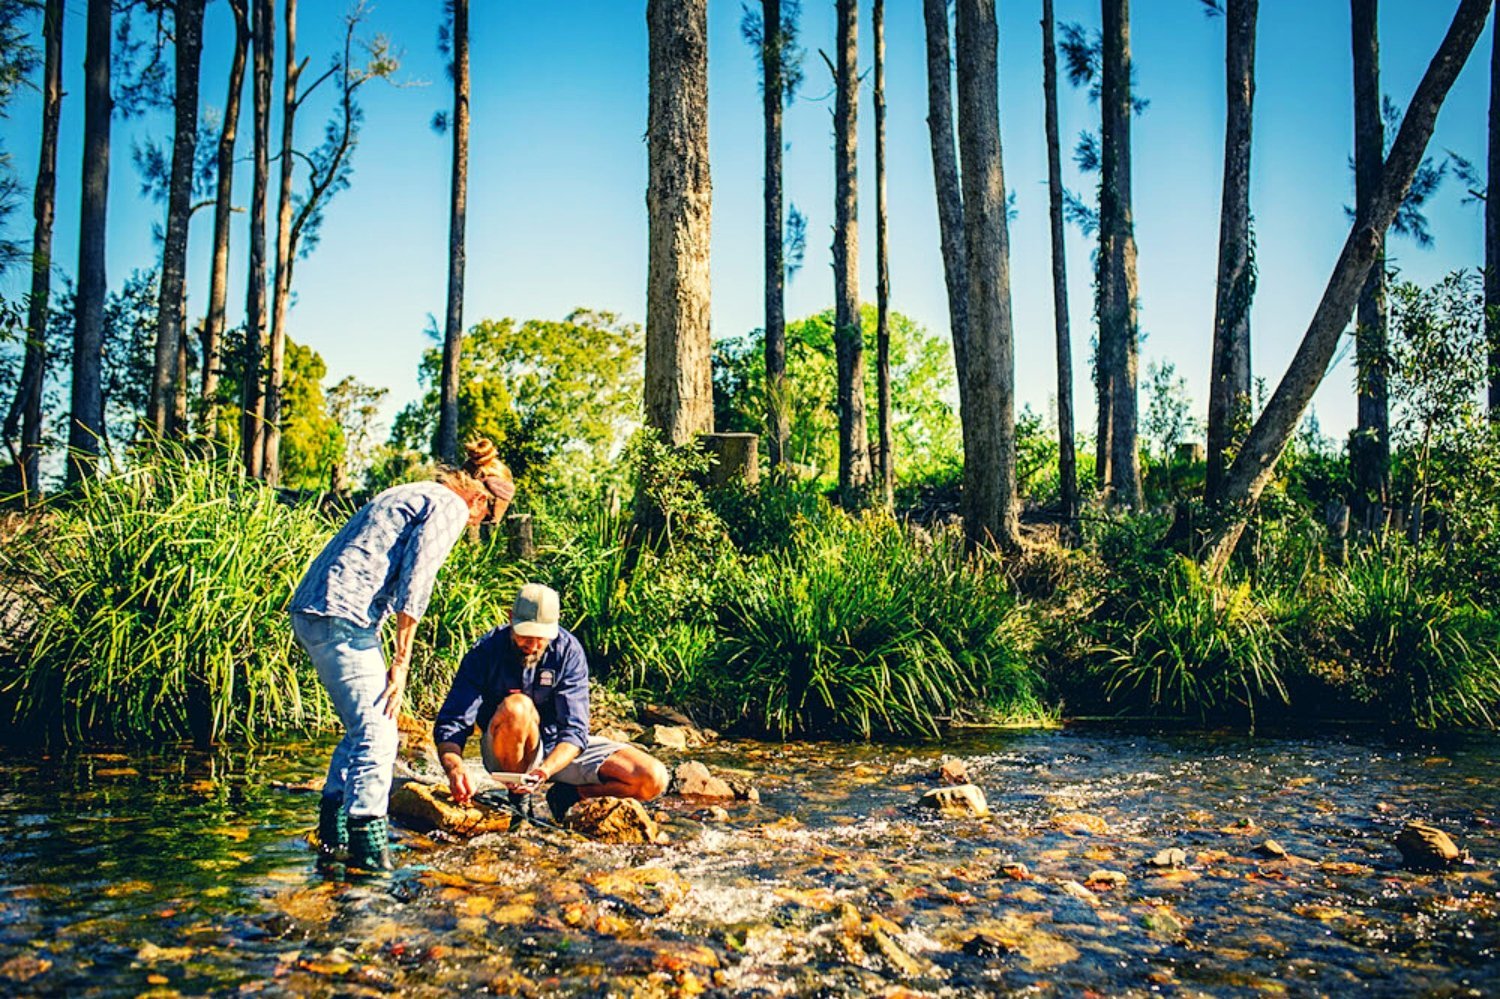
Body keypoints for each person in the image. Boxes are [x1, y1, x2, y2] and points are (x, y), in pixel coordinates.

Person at [290, 439, 514, 871]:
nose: (479, 523)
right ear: (481, 497)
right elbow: (417, 581)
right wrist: (401, 662)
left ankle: (332, 843)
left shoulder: (415, 491)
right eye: (486, 516)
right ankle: (370, 856)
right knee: (380, 735)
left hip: (318, 608)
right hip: (342, 615)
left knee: (364, 728)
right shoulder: (449, 506)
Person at [433, 583, 668, 821]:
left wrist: (545, 771)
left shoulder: (568, 651)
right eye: (526, 635)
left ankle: (568, 795)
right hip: (504, 751)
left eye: (541, 638)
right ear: (511, 618)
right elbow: (452, 723)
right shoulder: (485, 651)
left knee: (652, 777)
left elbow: (575, 731)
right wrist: (455, 767)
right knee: (518, 707)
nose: (533, 645)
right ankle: (518, 803)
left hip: (556, 752)